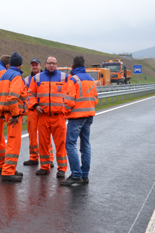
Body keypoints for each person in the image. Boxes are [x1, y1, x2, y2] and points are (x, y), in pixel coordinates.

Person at [28, 56, 68, 178]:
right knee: (43, 144)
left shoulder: (65, 77)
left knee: (61, 144)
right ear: (45, 64)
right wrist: (35, 105)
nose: (51, 65)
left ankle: (62, 168)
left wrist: (66, 109)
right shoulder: (37, 78)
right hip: (43, 116)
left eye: (53, 63)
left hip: (59, 116)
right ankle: (44, 166)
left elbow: (71, 94)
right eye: (49, 63)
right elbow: (30, 94)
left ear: (57, 64)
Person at [61, 55, 98, 186]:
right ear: (83, 65)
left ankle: (76, 175)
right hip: (89, 116)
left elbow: (69, 101)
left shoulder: (73, 80)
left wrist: (64, 112)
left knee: (70, 144)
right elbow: (96, 99)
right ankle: (85, 175)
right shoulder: (91, 80)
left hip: (76, 117)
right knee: (85, 145)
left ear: (72, 66)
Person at [0, 51, 28, 182]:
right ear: (20, 65)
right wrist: (15, 115)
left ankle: (11, 168)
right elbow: (13, 97)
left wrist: (1, 113)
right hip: (14, 115)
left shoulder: (3, 76)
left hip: (5, 113)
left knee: (10, 142)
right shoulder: (17, 77)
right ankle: (8, 171)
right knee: (13, 144)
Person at [23, 58, 54, 167]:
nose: (35, 67)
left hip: (42, 111)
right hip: (32, 111)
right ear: (30, 67)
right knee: (32, 136)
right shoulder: (26, 80)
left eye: (36, 65)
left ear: (41, 66)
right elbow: (24, 95)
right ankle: (34, 157)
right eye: (33, 65)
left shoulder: (45, 78)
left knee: (46, 135)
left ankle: (49, 158)